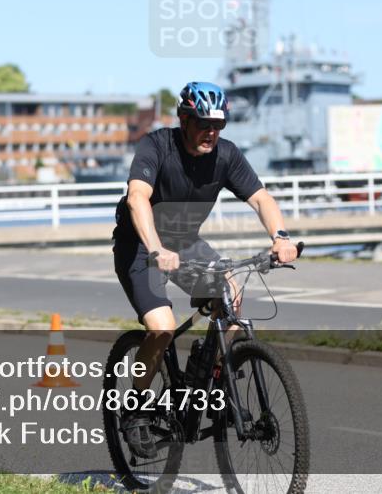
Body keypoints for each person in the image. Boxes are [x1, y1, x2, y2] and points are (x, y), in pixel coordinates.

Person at [112, 81, 298, 458]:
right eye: (202, 123)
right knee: (162, 327)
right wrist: (156, 248)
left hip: (185, 243)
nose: (210, 132)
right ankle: (135, 411)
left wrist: (280, 236)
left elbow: (260, 197)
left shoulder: (225, 155)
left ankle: (206, 376)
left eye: (218, 125)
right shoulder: (157, 145)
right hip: (140, 245)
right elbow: (137, 198)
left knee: (232, 296)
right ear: (183, 119)